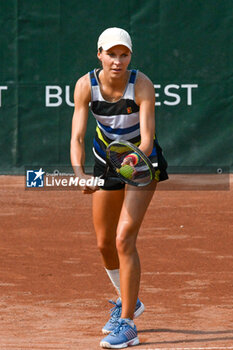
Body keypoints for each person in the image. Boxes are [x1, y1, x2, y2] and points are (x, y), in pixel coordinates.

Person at [70, 27, 168, 349]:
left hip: (140, 161)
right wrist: (80, 174)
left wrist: (135, 162)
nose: (117, 61)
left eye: (123, 54)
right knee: (103, 243)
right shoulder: (86, 86)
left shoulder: (141, 85)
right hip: (105, 161)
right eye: (111, 54)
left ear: (130, 57)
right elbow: (78, 137)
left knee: (124, 237)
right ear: (99, 54)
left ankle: (127, 322)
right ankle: (128, 298)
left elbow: (149, 136)